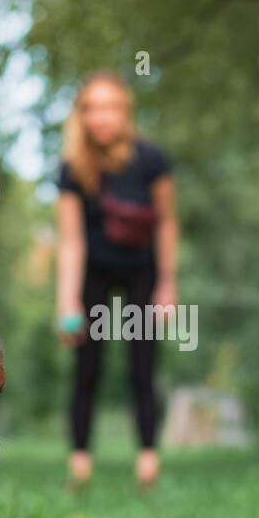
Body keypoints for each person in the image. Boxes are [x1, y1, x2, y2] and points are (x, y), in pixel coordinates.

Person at [54, 71, 178, 488]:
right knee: (86, 367)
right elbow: (71, 240)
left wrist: (166, 286)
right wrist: (68, 300)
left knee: (142, 366)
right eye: (92, 108)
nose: (101, 117)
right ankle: (80, 463)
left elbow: (166, 224)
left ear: (124, 112)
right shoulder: (73, 169)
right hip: (95, 269)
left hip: (142, 268)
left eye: (110, 107)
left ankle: (148, 461)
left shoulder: (151, 160)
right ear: (82, 115)